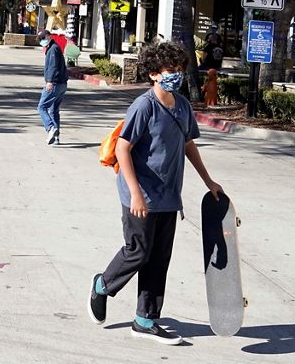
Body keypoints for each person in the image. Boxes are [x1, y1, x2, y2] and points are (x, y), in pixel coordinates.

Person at [88, 41, 223, 345]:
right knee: (138, 251)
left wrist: (208, 181)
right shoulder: (144, 106)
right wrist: (135, 193)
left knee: (159, 259)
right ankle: (102, 285)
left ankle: (145, 319)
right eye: (169, 70)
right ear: (153, 74)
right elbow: (123, 149)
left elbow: (188, 144)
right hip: (140, 195)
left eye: (179, 69)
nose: (175, 75)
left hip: (168, 196)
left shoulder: (183, 106)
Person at [37, 29, 69, 145]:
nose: (41, 41)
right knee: (54, 110)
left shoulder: (53, 49)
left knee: (42, 107)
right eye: (40, 39)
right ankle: (56, 138)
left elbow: (53, 66)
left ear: (49, 36)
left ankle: (51, 128)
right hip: (62, 84)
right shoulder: (53, 48)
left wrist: (49, 81)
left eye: (43, 38)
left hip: (55, 83)